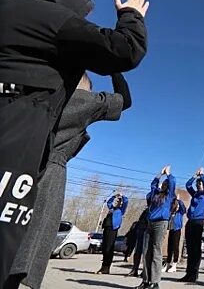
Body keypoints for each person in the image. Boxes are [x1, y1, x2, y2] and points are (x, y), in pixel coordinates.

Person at [0, 0, 149, 285]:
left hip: (24, 151)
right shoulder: (85, 102)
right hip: (34, 166)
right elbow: (124, 59)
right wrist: (130, 19)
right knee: (23, 253)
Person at [8, 72, 133, 288]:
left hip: (16, 164)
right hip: (50, 176)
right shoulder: (81, 100)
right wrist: (115, 70)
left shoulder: (35, 92)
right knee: (29, 251)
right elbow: (125, 101)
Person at [135, 165, 176, 289]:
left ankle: (155, 281)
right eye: (163, 183)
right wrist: (160, 174)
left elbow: (173, 182)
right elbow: (153, 183)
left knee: (156, 252)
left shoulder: (169, 196)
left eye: (166, 184)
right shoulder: (155, 194)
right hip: (150, 223)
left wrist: (168, 174)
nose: (164, 185)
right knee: (146, 251)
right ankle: (146, 280)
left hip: (161, 223)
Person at [178, 168, 204, 282]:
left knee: (196, 249)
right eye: (197, 184)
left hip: (198, 222)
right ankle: (188, 273)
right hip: (190, 221)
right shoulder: (195, 194)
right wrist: (195, 176)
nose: (198, 185)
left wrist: (202, 176)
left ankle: (194, 273)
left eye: (200, 184)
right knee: (190, 249)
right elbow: (188, 185)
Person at [97, 192, 129, 274]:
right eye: (116, 201)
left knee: (109, 248)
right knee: (105, 248)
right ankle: (103, 267)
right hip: (106, 228)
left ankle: (106, 267)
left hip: (113, 229)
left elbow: (126, 201)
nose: (116, 203)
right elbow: (109, 202)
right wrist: (114, 196)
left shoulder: (121, 210)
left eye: (118, 202)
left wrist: (122, 196)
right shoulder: (111, 209)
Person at [164, 195, 186, 273]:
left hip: (177, 229)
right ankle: (167, 263)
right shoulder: (171, 213)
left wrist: (179, 200)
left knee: (175, 247)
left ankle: (174, 264)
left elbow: (183, 208)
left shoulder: (180, 212)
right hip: (171, 229)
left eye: (177, 205)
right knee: (169, 247)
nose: (175, 207)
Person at [127, 207, 149, 277]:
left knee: (147, 253)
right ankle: (134, 269)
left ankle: (145, 271)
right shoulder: (146, 210)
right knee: (137, 252)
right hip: (141, 229)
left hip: (149, 230)